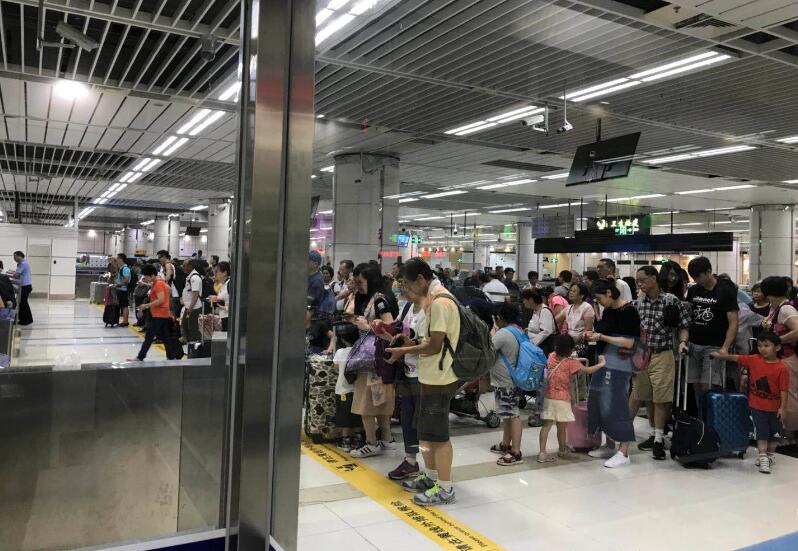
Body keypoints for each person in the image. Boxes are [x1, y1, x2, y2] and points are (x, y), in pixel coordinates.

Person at [385, 258, 460, 506]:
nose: (406, 289)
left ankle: (446, 488)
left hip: (440, 377)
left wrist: (404, 350)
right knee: (426, 433)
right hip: (428, 376)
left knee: (438, 436)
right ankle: (431, 477)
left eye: (408, 283)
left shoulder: (440, 302)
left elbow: (435, 345)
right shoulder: (431, 299)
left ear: (420, 279)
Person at [630, 266, 691, 460]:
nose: (639, 284)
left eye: (642, 280)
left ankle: (658, 439)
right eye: (637, 281)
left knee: (661, 399)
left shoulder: (670, 301)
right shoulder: (638, 303)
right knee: (644, 395)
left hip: (663, 354)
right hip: (641, 354)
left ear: (654, 279)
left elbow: (683, 325)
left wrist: (683, 342)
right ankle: (653, 433)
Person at [711, 332, 788, 474]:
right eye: (760, 345)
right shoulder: (754, 360)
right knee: (761, 433)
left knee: (775, 435)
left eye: (767, 346)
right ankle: (762, 456)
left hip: (774, 408)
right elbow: (736, 358)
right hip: (757, 406)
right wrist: (720, 356)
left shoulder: (782, 368)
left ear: (777, 348)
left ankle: (769, 455)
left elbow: (784, 390)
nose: (762, 349)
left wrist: (782, 408)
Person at [584, 279, 640, 468]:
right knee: (599, 402)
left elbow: (630, 342)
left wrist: (601, 336)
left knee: (617, 404)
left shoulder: (629, 311)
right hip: (604, 361)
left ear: (608, 293)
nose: (599, 303)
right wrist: (594, 336)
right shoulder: (608, 311)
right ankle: (609, 445)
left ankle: (624, 451)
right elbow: (603, 333)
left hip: (620, 364)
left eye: (599, 299)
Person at [349, 263, 398, 459]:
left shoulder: (379, 301)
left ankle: (371, 443)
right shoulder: (373, 298)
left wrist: (367, 326)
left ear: (370, 280)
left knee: (366, 404)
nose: (358, 285)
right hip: (378, 360)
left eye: (360, 282)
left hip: (371, 361)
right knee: (380, 402)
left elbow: (390, 328)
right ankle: (386, 439)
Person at [679, 256, 739, 413]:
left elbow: (733, 322)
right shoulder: (693, 290)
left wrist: (725, 347)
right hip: (693, 345)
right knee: (696, 386)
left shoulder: (725, 290)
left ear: (708, 272)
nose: (696, 280)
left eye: (698, 277)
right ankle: (701, 420)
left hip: (714, 346)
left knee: (710, 386)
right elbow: (687, 318)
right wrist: (684, 341)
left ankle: (713, 419)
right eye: (694, 277)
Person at [538, 334, 606, 463]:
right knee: (562, 428)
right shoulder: (571, 363)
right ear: (570, 349)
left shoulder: (551, 356)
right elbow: (588, 370)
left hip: (549, 396)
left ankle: (542, 453)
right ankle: (562, 450)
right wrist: (601, 364)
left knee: (546, 426)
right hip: (562, 399)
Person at [387, 277, 425, 481]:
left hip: (425, 375)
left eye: (405, 283)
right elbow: (399, 332)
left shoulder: (430, 309)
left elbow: (432, 345)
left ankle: (434, 470)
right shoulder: (408, 307)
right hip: (407, 371)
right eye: (400, 283)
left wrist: (407, 345)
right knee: (407, 418)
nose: (401, 287)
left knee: (425, 422)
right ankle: (410, 461)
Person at [489, 302, 526, 466]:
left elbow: (488, 349)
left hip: (505, 381)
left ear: (499, 318)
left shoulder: (503, 333)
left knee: (513, 415)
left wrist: (492, 333)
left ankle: (516, 452)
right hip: (514, 378)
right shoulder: (518, 330)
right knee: (507, 414)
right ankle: (506, 444)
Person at [760, 276, 798, 431]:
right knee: (780, 396)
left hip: (787, 359)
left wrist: (778, 341)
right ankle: (783, 430)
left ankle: (791, 432)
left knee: (789, 397)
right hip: (778, 360)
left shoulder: (786, 309)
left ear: (768, 294)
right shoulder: (775, 308)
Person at [129, 264, 179, 360]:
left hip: (159, 315)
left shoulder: (158, 284)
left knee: (149, 336)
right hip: (163, 313)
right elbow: (168, 290)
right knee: (165, 337)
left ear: (152, 275)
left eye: (146, 276)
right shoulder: (160, 282)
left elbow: (161, 299)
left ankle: (140, 357)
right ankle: (171, 356)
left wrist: (146, 305)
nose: (145, 278)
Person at [334, 324, 364, 453]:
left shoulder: (340, 352)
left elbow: (335, 367)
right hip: (358, 390)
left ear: (343, 338)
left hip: (343, 390)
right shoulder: (361, 351)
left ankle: (345, 441)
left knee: (344, 416)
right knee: (357, 415)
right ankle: (358, 439)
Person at [556, 282, 594, 352]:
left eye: (574, 291)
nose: (571, 293)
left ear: (582, 295)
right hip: (570, 342)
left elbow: (588, 329)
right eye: (570, 290)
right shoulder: (569, 307)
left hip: (582, 342)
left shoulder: (587, 307)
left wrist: (574, 342)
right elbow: (556, 320)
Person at [180, 259, 204, 347]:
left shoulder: (195, 278)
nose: (182, 267)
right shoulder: (190, 277)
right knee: (184, 325)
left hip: (194, 308)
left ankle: (196, 348)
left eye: (184, 265)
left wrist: (190, 308)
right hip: (189, 307)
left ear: (190, 266)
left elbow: (195, 294)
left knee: (193, 329)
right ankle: (189, 345)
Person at [10, 251, 33, 325]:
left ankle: (26, 320)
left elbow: (16, 275)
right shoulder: (23, 263)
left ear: (19, 256)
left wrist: (7, 276)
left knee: (23, 303)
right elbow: (18, 274)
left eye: (15, 257)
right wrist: (13, 273)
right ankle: (27, 319)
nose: (14, 259)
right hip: (26, 286)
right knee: (23, 303)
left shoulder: (23, 264)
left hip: (25, 286)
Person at [209, 261, 231, 332]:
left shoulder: (230, 284)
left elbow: (236, 303)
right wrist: (216, 298)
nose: (214, 274)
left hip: (229, 318)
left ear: (224, 273)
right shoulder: (223, 285)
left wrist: (223, 307)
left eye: (216, 272)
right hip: (224, 317)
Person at [111, 254, 132, 327]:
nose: (116, 259)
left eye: (117, 258)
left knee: (125, 306)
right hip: (120, 289)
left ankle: (125, 322)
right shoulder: (121, 268)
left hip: (123, 290)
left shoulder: (125, 269)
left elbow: (126, 280)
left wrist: (118, 285)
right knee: (122, 306)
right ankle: (124, 321)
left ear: (121, 259)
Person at [307, 251, 326, 324]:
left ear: (315, 264)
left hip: (312, 317)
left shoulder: (317, 280)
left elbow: (309, 299)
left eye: (308, 260)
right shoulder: (310, 277)